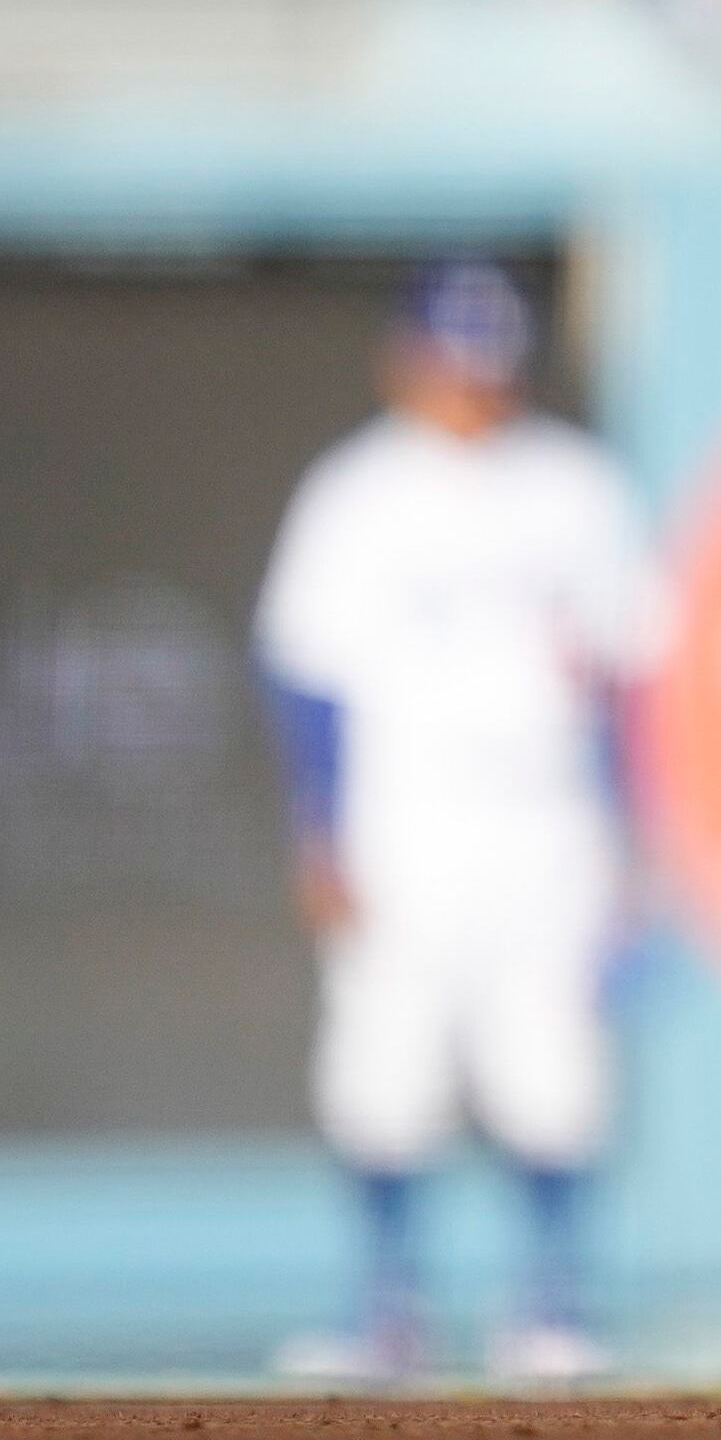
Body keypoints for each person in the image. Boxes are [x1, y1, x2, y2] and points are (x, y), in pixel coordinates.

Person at [253, 262, 672, 1383]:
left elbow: (634, 671)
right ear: (405, 360)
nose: (472, 388)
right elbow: (308, 673)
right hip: (407, 822)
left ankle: (552, 1300)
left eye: (490, 367)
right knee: (384, 1068)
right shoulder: (357, 492)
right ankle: (383, 1306)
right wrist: (320, 826)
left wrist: (642, 836)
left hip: (546, 824)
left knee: (554, 1070)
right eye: (451, 363)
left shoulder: (577, 488)